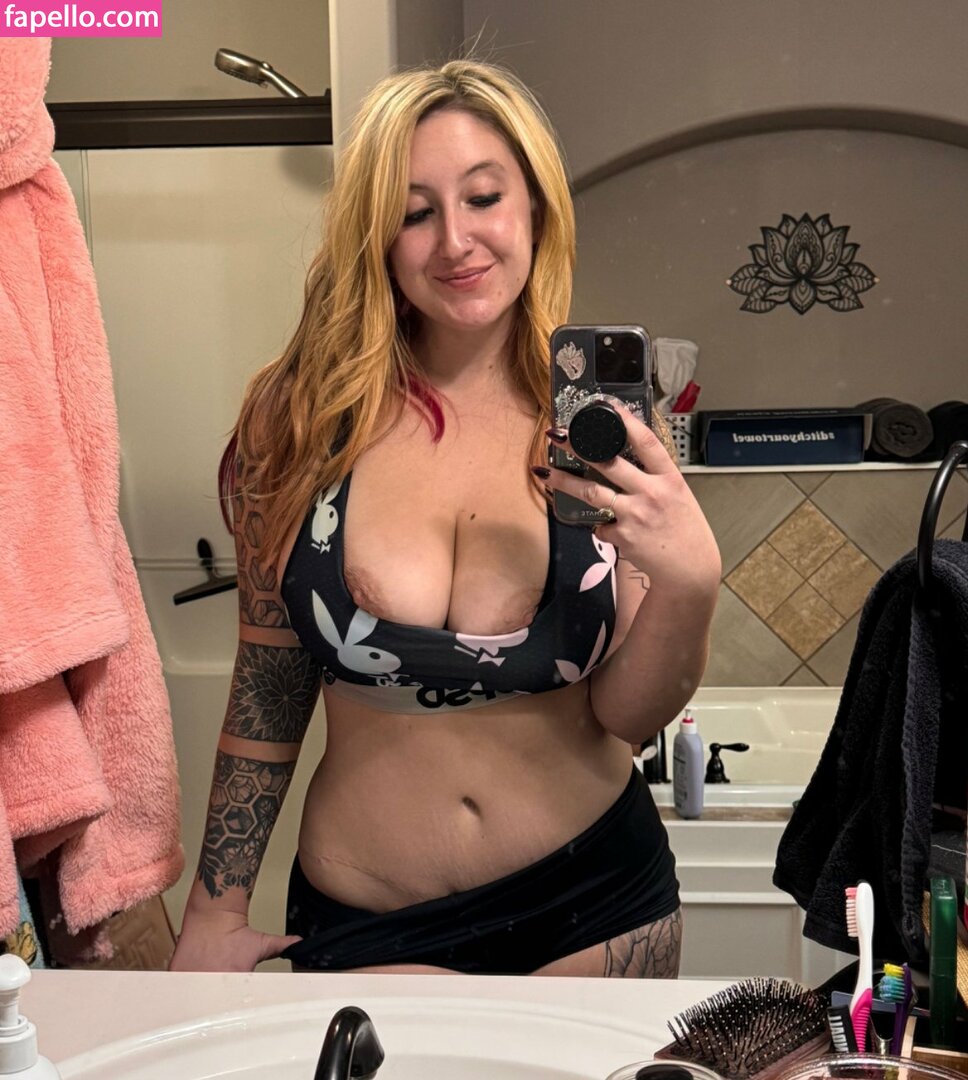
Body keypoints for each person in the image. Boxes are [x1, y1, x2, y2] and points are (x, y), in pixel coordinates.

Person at [169, 59, 721, 978]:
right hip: (369, 921)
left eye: (484, 198)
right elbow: (270, 679)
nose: (456, 241)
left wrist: (692, 584)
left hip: (599, 907)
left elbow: (626, 716)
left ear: (534, 207)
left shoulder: (598, 424)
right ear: (377, 237)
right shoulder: (301, 421)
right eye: (415, 212)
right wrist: (215, 909)